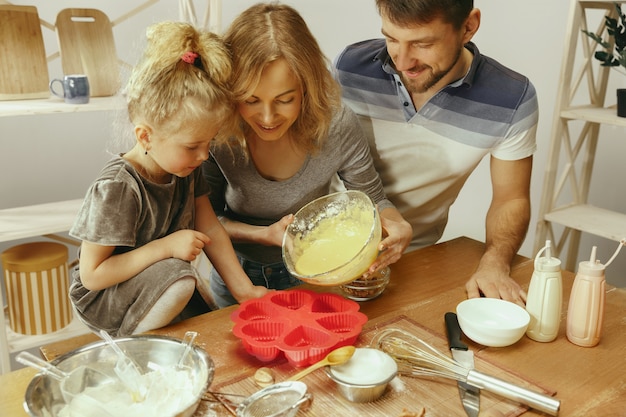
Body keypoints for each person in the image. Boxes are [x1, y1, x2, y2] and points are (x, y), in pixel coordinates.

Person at [203, 2, 413, 308]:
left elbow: (371, 200)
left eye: (285, 99)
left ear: (307, 87)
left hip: (312, 277)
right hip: (235, 275)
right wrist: (263, 235)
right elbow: (203, 220)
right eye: (250, 100)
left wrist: (397, 224)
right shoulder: (216, 130)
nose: (267, 117)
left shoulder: (336, 123)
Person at [68, 21, 268, 336]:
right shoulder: (118, 188)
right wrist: (166, 247)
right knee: (179, 276)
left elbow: (209, 226)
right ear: (146, 137)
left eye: (209, 143)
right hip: (106, 299)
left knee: (184, 285)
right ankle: (132, 345)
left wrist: (244, 289)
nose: (204, 155)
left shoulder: (185, 167)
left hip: (157, 277)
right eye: (192, 146)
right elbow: (92, 276)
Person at [333, 0, 538, 306]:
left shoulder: (511, 99)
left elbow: (511, 198)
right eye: (391, 39)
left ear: (468, 26)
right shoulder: (350, 67)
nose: (402, 62)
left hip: (415, 261)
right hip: (324, 251)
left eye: (423, 44)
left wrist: (495, 262)